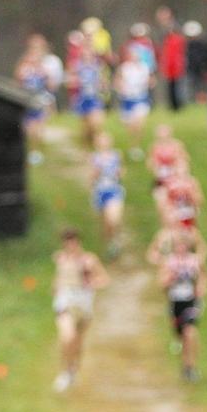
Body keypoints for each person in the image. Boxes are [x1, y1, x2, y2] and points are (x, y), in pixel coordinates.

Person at [51, 228, 110, 393]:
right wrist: (56, 289)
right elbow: (58, 279)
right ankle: (64, 372)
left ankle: (73, 370)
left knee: (77, 342)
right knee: (66, 337)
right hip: (65, 303)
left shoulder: (88, 260)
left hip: (83, 304)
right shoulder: (61, 259)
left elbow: (104, 279)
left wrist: (91, 283)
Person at [154, 231, 207, 382]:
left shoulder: (194, 261)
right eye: (178, 245)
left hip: (191, 301)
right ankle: (186, 365)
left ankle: (191, 367)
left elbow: (204, 276)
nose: (181, 248)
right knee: (181, 336)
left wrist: (201, 288)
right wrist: (169, 279)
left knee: (190, 332)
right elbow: (161, 283)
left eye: (184, 245)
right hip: (175, 302)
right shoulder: (169, 262)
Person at [16, 35, 58, 166]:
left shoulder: (44, 68)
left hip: (40, 101)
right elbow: (18, 82)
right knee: (28, 130)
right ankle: (30, 152)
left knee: (38, 129)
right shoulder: (23, 68)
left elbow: (51, 86)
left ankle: (36, 153)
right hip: (27, 102)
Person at [89, 132, 126, 258]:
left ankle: (115, 240)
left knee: (114, 219)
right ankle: (110, 244)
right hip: (100, 192)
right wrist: (96, 173)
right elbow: (91, 179)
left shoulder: (116, 155)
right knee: (105, 223)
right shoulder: (94, 157)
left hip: (114, 190)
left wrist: (119, 173)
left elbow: (121, 173)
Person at [69, 41, 107, 147]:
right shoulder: (76, 66)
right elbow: (70, 81)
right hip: (82, 98)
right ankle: (86, 145)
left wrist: (102, 86)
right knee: (86, 126)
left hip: (94, 97)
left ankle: (98, 146)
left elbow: (103, 82)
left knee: (97, 122)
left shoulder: (97, 66)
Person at [114, 52, 152, 159]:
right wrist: (120, 87)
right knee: (130, 126)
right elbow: (117, 81)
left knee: (139, 123)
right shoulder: (124, 68)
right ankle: (133, 145)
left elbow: (150, 80)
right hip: (127, 100)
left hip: (140, 99)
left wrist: (148, 83)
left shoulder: (144, 68)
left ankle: (136, 147)